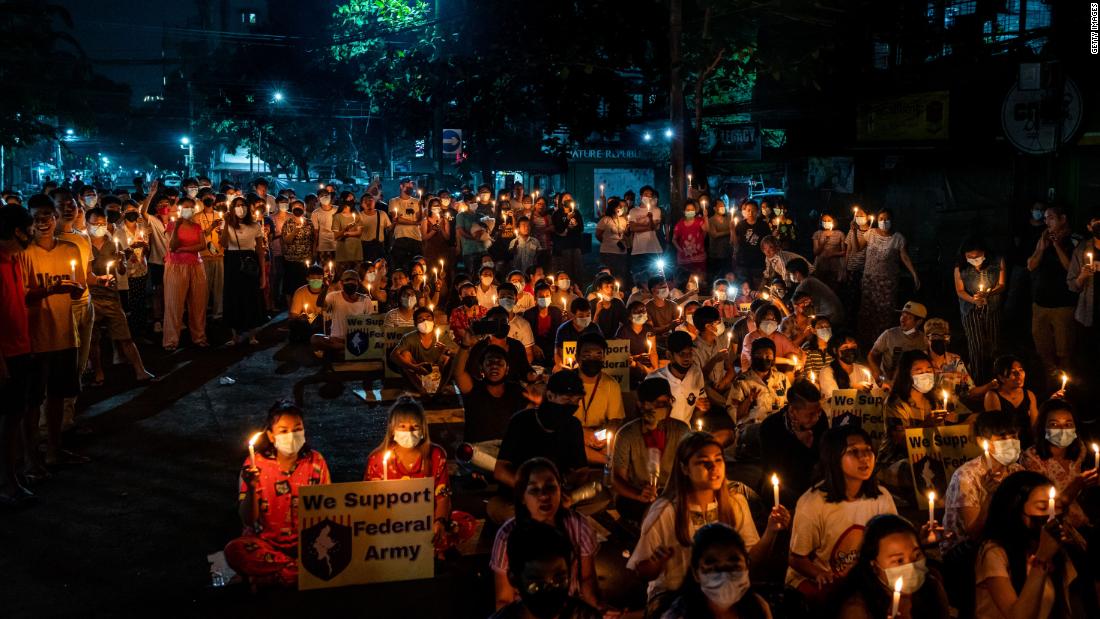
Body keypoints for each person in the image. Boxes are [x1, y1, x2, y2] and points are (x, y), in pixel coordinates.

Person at [627, 432, 789, 610]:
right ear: (685, 468)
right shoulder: (666, 512)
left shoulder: (735, 503)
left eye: (718, 460)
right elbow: (640, 571)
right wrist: (656, 563)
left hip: (724, 591)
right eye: (703, 462)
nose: (714, 467)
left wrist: (771, 531)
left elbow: (750, 561)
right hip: (674, 595)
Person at [786, 425, 897, 603]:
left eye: (868, 450)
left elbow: (893, 542)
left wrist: (918, 541)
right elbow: (796, 558)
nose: (865, 458)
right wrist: (820, 573)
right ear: (834, 458)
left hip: (863, 578)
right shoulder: (812, 504)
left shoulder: (882, 497)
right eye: (853, 451)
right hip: (818, 581)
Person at [225, 401, 330, 588]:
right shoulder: (255, 465)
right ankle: (296, 571)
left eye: (297, 429)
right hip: (265, 544)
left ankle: (268, 577)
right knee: (235, 551)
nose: (291, 436)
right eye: (283, 431)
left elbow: (329, 508)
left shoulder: (316, 462)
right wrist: (251, 487)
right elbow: (248, 520)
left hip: (307, 543)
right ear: (271, 436)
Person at [974, 471, 1087, 619]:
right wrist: (1042, 558)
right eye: (1041, 507)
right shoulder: (994, 553)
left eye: (1056, 507)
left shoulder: (1058, 550)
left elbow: (1069, 606)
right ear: (1015, 510)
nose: (1052, 516)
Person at [490, 459, 600, 610]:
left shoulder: (578, 527)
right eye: (534, 490)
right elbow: (503, 600)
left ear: (561, 490)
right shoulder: (507, 536)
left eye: (551, 487)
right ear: (522, 497)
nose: (544, 496)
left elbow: (587, 578)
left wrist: (598, 608)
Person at [363, 398, 452, 548]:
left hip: (425, 523)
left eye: (414, 427)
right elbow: (367, 500)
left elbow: (443, 496)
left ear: (423, 430)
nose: (409, 432)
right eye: (402, 426)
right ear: (392, 430)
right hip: (390, 526)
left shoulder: (436, 456)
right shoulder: (377, 459)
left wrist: (439, 522)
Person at [83, 209, 155, 383]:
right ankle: (98, 372)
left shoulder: (112, 243)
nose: (99, 226)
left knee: (125, 336)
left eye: (102, 223)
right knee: (93, 340)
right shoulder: (83, 244)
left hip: (111, 296)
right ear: (87, 224)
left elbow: (121, 270)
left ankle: (140, 370)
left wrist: (123, 258)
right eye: (95, 223)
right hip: (91, 297)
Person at [941, 411, 1025, 556]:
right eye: (1002, 437)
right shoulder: (966, 476)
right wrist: (990, 496)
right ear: (982, 442)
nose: (1010, 442)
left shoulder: (1017, 471)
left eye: (1014, 436)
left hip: (1004, 543)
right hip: (965, 551)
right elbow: (974, 534)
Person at [836, 514, 951, 619]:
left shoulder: (932, 588)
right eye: (899, 560)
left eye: (916, 555)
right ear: (874, 565)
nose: (910, 566)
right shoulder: (857, 609)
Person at [489, 520, 603, 619]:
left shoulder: (586, 616)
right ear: (514, 580)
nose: (550, 594)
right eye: (536, 585)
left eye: (559, 581)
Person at [660, 523, 773, 619]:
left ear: (747, 565)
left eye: (733, 563)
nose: (724, 575)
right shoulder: (678, 614)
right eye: (712, 564)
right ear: (696, 573)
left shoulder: (758, 607)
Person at [0, 204, 36, 504]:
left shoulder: (14, 260)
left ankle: (13, 473)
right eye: (30, 228)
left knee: (15, 416)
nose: (34, 233)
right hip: (6, 356)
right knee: (8, 420)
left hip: (21, 349)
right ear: (17, 231)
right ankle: (8, 482)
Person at [878, 350, 951, 490]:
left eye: (928, 370)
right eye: (919, 371)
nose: (925, 375)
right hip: (895, 460)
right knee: (915, 471)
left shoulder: (934, 401)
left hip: (930, 455)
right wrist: (926, 424)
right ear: (907, 375)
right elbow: (899, 440)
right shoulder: (896, 402)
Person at [1021, 399, 1097, 529]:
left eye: (1068, 424)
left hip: (1081, 521)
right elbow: (1047, 508)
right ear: (1043, 427)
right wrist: (1077, 485)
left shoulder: (1080, 450)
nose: (1062, 430)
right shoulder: (1031, 459)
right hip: (1052, 528)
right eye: (1054, 424)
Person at [1026, 204, 1078, 382]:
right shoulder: (1042, 239)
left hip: (1063, 304)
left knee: (1064, 349)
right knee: (1043, 347)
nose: (1047, 221)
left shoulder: (1073, 240)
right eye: (1046, 218)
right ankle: (1050, 380)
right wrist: (1041, 248)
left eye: (1051, 218)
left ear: (1063, 219)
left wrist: (1057, 246)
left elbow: (1071, 268)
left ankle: (1065, 384)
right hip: (1040, 303)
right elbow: (1031, 265)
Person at [759, 379, 827, 507]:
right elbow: (771, 468)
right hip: (785, 484)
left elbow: (823, 459)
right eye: (811, 414)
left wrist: (809, 445)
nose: (817, 417)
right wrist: (799, 442)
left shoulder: (820, 420)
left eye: (818, 412)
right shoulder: (770, 426)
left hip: (813, 480)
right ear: (794, 410)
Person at [859, 208, 920, 346]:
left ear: (892, 221)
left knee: (885, 312)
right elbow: (858, 248)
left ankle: (883, 342)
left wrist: (914, 273)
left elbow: (903, 256)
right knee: (868, 310)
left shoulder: (898, 238)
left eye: (887, 219)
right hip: (870, 280)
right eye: (881, 219)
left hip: (888, 281)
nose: (884, 222)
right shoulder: (871, 233)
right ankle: (866, 343)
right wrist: (856, 229)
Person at [162, 198, 208, 351]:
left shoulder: (197, 226)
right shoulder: (172, 225)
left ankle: (199, 336)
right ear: (180, 209)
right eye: (185, 207)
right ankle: (171, 341)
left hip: (196, 266)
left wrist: (185, 249)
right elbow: (173, 246)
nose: (188, 209)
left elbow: (202, 245)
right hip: (176, 267)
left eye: (191, 207)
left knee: (198, 304)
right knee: (174, 304)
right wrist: (177, 227)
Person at [220, 197, 266, 347]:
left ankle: (252, 335)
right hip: (233, 262)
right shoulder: (227, 224)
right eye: (238, 206)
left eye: (243, 205)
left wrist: (263, 274)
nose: (241, 208)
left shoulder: (254, 226)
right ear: (232, 208)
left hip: (250, 262)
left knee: (251, 296)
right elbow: (224, 244)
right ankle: (234, 335)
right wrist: (226, 223)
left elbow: (260, 250)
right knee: (233, 296)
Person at [572, 332, 625, 465]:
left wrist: (598, 436)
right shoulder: (565, 381)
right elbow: (557, 419)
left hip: (598, 437)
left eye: (598, 355)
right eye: (587, 355)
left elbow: (615, 421)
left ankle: (602, 460)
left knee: (616, 442)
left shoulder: (611, 384)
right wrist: (581, 433)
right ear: (577, 357)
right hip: (572, 435)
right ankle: (607, 462)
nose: (593, 359)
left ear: (604, 358)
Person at [389, 307, 455, 397]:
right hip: (418, 372)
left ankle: (439, 389)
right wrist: (415, 367)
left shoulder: (443, 336)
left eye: (428, 317)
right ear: (415, 323)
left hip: (438, 371)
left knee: (448, 356)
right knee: (404, 354)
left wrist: (446, 350)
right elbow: (393, 355)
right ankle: (421, 389)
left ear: (433, 321)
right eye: (420, 319)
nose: (425, 321)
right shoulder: (409, 338)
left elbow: (458, 354)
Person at [648, 331, 707, 424]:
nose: (687, 358)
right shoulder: (653, 380)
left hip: (685, 432)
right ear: (669, 355)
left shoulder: (696, 373)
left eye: (690, 353)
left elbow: (700, 402)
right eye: (682, 354)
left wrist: (702, 406)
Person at [983, 355, 1040, 449]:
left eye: (1021, 370)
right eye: (1013, 372)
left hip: (1028, 446)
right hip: (1006, 446)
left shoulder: (1029, 395)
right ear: (1001, 378)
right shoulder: (993, 396)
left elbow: (1035, 426)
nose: (1019, 375)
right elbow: (997, 429)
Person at [867, 300, 927, 387]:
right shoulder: (889, 334)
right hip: (888, 385)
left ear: (919, 321)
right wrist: (878, 374)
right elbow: (872, 355)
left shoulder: (924, 340)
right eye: (902, 315)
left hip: (912, 386)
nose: (903, 319)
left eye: (909, 317)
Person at [311, 270, 370, 353]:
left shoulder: (366, 300)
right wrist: (326, 287)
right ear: (342, 283)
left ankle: (343, 348)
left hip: (355, 339)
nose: (350, 284)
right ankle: (346, 348)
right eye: (347, 281)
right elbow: (320, 303)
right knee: (315, 338)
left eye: (353, 282)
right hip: (336, 339)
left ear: (358, 284)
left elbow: (370, 322)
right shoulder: (333, 296)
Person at [1066, 210, 1099, 354]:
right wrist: (1082, 277)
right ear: (1089, 227)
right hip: (1088, 313)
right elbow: (1072, 285)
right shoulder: (1081, 250)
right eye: (1097, 223)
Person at [691, 305, 736, 407]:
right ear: (708, 326)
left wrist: (724, 381)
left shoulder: (721, 342)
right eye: (718, 322)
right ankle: (728, 406)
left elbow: (731, 370)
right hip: (706, 389)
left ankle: (728, 405)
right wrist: (715, 359)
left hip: (722, 384)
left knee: (737, 385)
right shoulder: (694, 349)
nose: (721, 324)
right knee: (705, 389)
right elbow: (699, 377)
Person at [739, 304, 798, 372]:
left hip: (775, 376)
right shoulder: (750, 338)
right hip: (753, 376)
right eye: (767, 319)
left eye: (773, 319)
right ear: (759, 320)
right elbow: (760, 360)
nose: (770, 323)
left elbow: (795, 351)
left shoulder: (779, 337)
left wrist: (799, 360)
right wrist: (787, 361)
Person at [788, 256, 845, 326]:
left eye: (790, 274)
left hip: (831, 318)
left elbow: (794, 304)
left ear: (797, 273)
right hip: (837, 314)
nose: (789, 276)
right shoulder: (812, 280)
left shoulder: (805, 283)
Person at [193, 193, 224, 321]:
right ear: (201, 200)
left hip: (219, 255)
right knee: (203, 287)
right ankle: (202, 312)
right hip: (204, 255)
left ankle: (218, 313)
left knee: (219, 287)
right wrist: (211, 227)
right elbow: (198, 236)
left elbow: (225, 236)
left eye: (211, 197)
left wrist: (222, 232)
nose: (209, 199)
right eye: (206, 197)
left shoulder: (220, 216)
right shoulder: (196, 217)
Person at [281, 200, 315, 310]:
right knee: (290, 285)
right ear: (292, 209)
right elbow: (286, 240)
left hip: (305, 259)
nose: (298, 208)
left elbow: (313, 240)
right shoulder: (288, 223)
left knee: (304, 284)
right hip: (291, 259)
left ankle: (304, 308)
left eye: (300, 206)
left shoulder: (309, 223)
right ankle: (291, 309)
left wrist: (313, 253)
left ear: (304, 209)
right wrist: (295, 230)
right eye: (296, 206)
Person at [818, 331, 874, 398]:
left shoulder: (862, 369)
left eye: (854, 347)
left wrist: (883, 388)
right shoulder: (827, 372)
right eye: (845, 348)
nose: (851, 351)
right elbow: (833, 399)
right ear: (835, 350)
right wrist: (854, 388)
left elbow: (875, 391)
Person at [524, 281, 566, 367]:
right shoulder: (529, 314)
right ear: (535, 298)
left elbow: (559, 335)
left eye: (547, 296)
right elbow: (526, 336)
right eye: (541, 296)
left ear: (551, 297)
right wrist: (533, 345)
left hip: (553, 353)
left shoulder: (556, 312)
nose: (544, 298)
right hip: (534, 352)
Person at [843, 204, 874, 318]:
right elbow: (849, 250)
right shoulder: (851, 231)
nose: (859, 216)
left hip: (862, 269)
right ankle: (849, 318)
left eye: (862, 214)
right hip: (851, 268)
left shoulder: (870, 232)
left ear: (867, 216)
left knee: (860, 296)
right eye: (857, 214)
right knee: (849, 295)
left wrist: (855, 232)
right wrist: (845, 268)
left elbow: (857, 249)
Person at [554, 298, 602, 369]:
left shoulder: (594, 328)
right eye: (581, 316)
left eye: (588, 315)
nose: (585, 318)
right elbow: (557, 353)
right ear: (573, 315)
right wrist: (562, 366)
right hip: (568, 366)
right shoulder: (563, 329)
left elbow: (601, 349)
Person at [732, 199, 771, 285]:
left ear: (757, 211)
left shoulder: (763, 225)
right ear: (745, 211)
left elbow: (768, 241)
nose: (751, 213)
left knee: (757, 286)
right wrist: (732, 230)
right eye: (748, 210)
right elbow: (735, 243)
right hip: (743, 262)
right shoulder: (740, 225)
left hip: (758, 262)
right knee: (744, 287)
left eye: (753, 210)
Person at [495, 284, 536, 363]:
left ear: (516, 300)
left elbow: (529, 353)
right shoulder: (490, 322)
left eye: (510, 297)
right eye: (502, 297)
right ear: (497, 300)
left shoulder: (524, 325)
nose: (506, 299)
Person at [388, 179, 423, 269]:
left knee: (416, 265)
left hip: (415, 237)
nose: (410, 188)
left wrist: (421, 207)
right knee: (400, 265)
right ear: (401, 186)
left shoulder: (416, 201)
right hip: (400, 237)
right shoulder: (393, 201)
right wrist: (414, 222)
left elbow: (420, 219)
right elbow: (397, 219)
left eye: (411, 187)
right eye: (408, 186)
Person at [551, 195, 585, 280]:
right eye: (565, 198)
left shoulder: (576, 212)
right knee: (566, 270)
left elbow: (581, 228)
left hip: (575, 245)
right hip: (564, 246)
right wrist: (567, 219)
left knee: (577, 270)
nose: (568, 199)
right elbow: (559, 229)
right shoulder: (558, 213)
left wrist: (575, 225)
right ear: (561, 201)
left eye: (570, 198)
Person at [629, 186, 664, 266]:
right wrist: (649, 227)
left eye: (650, 195)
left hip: (653, 249)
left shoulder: (656, 210)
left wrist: (650, 219)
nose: (648, 197)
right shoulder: (633, 211)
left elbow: (653, 227)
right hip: (638, 249)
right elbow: (633, 228)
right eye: (646, 194)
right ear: (641, 196)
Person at [672, 199, 707, 277]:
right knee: (685, 280)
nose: (690, 211)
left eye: (692, 210)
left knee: (700, 279)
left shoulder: (700, 221)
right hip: (684, 259)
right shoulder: (679, 224)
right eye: (688, 210)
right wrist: (680, 250)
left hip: (699, 257)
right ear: (684, 211)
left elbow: (706, 230)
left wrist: (705, 217)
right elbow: (674, 240)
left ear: (695, 211)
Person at [812, 212, 846, 289]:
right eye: (824, 220)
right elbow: (815, 252)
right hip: (820, 265)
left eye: (828, 220)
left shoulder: (840, 234)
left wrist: (833, 254)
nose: (826, 222)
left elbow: (844, 252)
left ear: (833, 221)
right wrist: (824, 242)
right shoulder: (817, 234)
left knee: (833, 287)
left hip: (835, 266)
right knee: (821, 287)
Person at [331, 194, 362, 271]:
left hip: (356, 251)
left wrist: (346, 234)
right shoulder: (337, 216)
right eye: (349, 199)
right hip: (343, 252)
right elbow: (336, 236)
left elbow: (359, 233)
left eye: (352, 199)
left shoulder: (357, 215)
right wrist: (345, 228)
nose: (351, 201)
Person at [359, 192, 391, 262]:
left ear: (374, 202)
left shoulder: (382, 214)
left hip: (379, 247)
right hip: (364, 247)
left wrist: (395, 221)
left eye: (370, 200)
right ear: (361, 204)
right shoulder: (359, 216)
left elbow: (389, 229)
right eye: (365, 201)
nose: (368, 203)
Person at [705, 198, 733, 280]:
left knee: (727, 277)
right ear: (714, 208)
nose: (723, 207)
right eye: (720, 206)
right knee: (716, 278)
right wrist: (729, 231)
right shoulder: (711, 220)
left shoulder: (728, 217)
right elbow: (714, 234)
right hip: (715, 255)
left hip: (727, 253)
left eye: (723, 205)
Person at [310, 188, 336, 263]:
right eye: (322, 195)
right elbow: (315, 232)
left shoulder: (337, 210)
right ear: (318, 198)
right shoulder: (315, 213)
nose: (325, 197)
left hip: (337, 246)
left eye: (326, 195)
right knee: (324, 270)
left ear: (330, 196)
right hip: (323, 246)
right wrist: (314, 248)